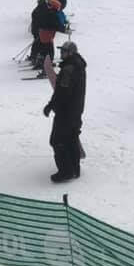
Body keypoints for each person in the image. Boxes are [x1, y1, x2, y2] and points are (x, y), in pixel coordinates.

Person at [43, 40, 86, 182]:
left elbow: (62, 92)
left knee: (57, 140)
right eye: (61, 51)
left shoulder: (69, 69)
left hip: (66, 111)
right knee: (71, 138)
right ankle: (74, 169)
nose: (61, 54)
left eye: (64, 52)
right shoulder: (77, 66)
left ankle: (66, 171)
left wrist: (51, 105)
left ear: (71, 53)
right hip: (75, 110)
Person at [30, 0, 64, 70]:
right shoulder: (53, 15)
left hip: (42, 34)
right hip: (48, 36)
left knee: (43, 49)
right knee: (49, 52)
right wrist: (63, 29)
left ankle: (40, 62)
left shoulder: (46, 12)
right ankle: (47, 66)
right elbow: (56, 25)